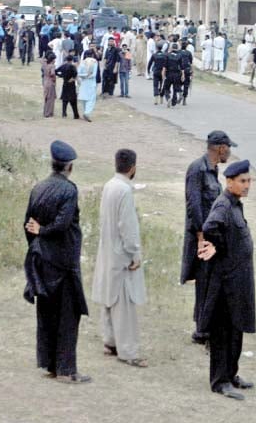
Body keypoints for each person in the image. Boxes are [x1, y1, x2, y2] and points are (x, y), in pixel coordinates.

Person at [23, 140, 90, 384]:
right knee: (68, 317)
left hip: (42, 260)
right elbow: (62, 225)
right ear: (69, 166)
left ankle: (49, 364)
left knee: (47, 314)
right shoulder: (69, 190)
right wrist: (44, 232)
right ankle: (66, 369)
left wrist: (38, 242)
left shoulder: (38, 188)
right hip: (64, 262)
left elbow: (27, 225)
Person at [197, 160, 255, 401]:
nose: (247, 185)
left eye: (249, 181)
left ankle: (231, 374)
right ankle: (220, 381)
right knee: (222, 332)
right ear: (229, 182)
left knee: (236, 329)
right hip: (226, 282)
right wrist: (220, 249)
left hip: (238, 282)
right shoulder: (223, 205)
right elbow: (210, 227)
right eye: (242, 181)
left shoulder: (235, 205)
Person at [91, 149, 148, 368]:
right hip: (121, 253)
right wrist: (134, 252)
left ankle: (110, 342)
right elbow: (128, 226)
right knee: (124, 303)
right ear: (133, 167)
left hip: (107, 249)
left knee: (109, 298)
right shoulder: (124, 190)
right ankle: (128, 351)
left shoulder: (109, 185)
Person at [181, 131, 236, 345]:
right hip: (202, 237)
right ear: (221, 148)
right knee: (205, 283)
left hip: (212, 237)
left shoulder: (212, 171)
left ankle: (205, 326)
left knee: (211, 282)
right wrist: (201, 237)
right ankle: (202, 330)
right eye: (228, 148)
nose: (229, 152)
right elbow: (193, 204)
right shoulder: (198, 169)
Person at [55, 55, 79, 119]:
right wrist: (72, 78)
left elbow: (56, 71)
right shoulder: (72, 66)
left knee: (64, 99)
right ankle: (76, 114)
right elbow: (75, 74)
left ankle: (64, 113)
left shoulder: (63, 66)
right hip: (71, 84)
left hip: (65, 83)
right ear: (72, 60)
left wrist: (61, 75)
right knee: (73, 100)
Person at [77, 52, 97, 122]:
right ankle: (87, 112)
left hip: (84, 82)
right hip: (91, 83)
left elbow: (78, 73)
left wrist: (84, 75)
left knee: (84, 98)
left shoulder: (82, 62)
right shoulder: (94, 62)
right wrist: (87, 75)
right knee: (91, 99)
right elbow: (93, 75)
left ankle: (86, 112)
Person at [162, 43, 184, 108]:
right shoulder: (180, 56)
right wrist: (183, 75)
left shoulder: (167, 55)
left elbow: (164, 67)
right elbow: (182, 67)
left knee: (166, 88)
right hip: (177, 74)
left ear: (171, 48)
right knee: (175, 89)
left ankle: (168, 97)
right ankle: (173, 103)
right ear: (177, 48)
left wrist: (163, 75)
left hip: (169, 74)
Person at [42, 52, 57, 118]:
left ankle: (45, 111)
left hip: (45, 81)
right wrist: (54, 79)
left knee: (46, 97)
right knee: (51, 98)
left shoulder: (45, 65)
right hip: (50, 82)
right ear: (52, 60)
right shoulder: (52, 66)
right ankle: (49, 113)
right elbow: (52, 73)